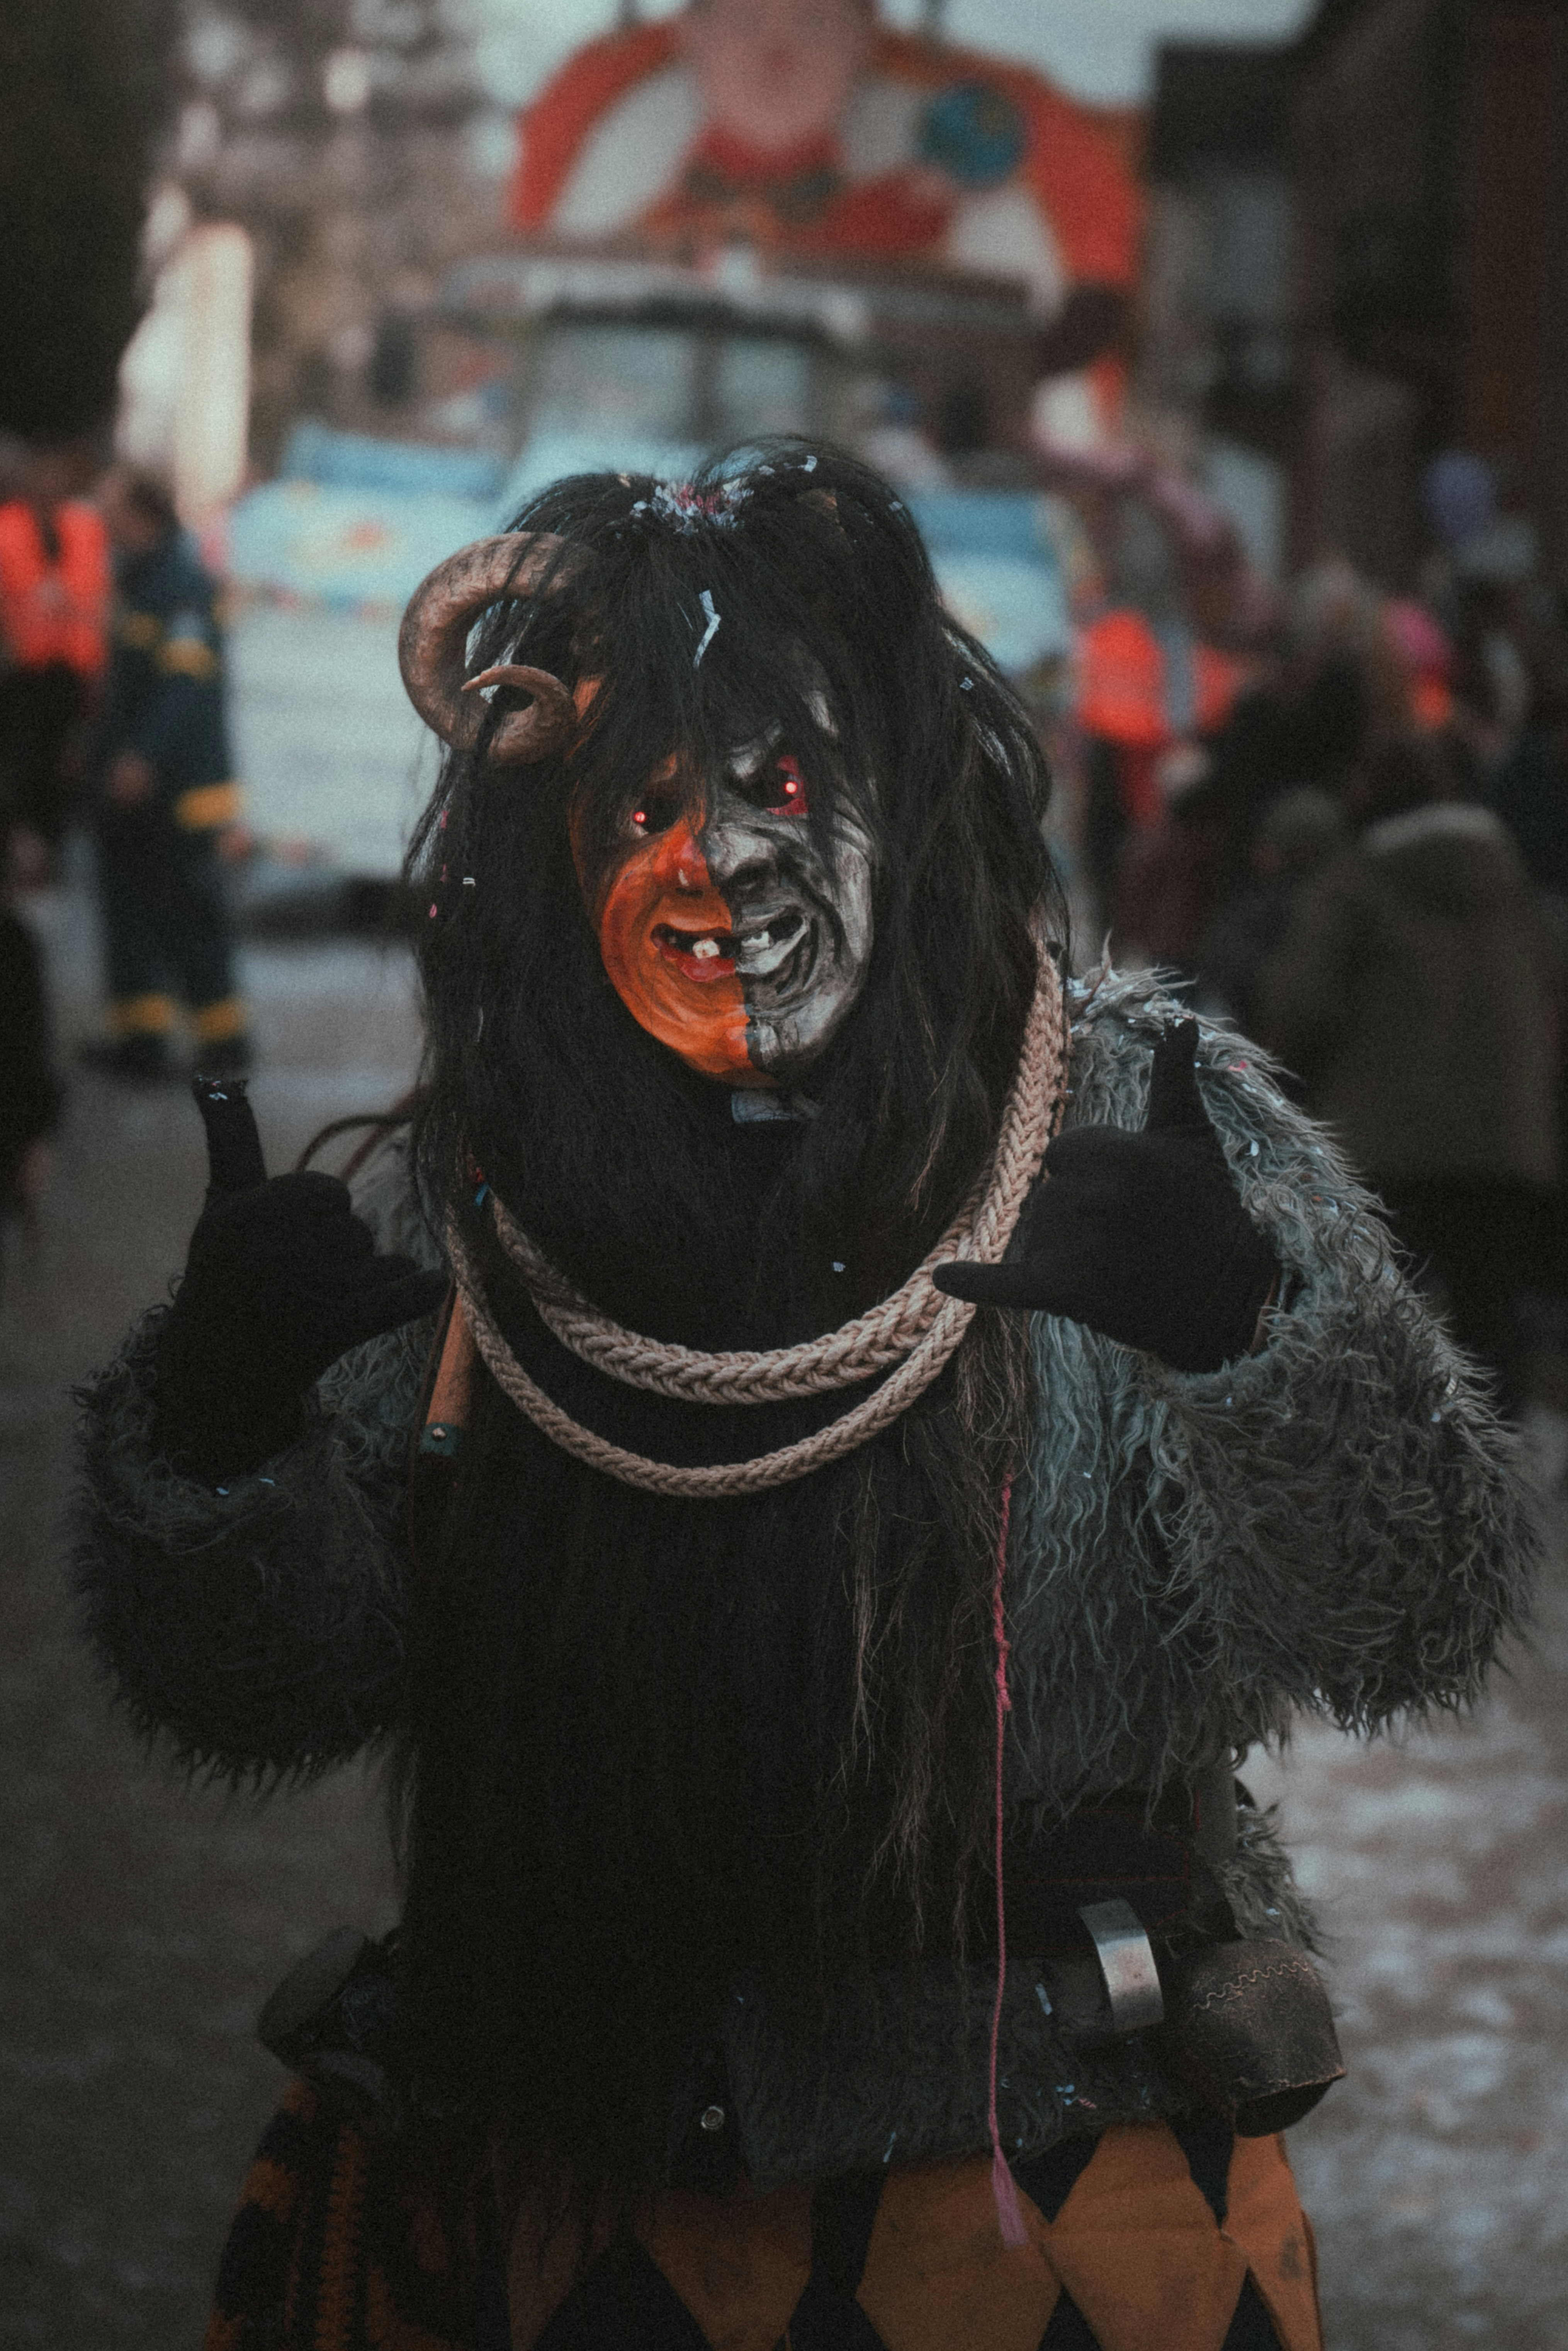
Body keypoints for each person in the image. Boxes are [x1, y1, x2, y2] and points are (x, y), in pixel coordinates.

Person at [75, 447, 1530, 2351]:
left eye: (780, 791)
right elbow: (270, 1682)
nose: (722, 860)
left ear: (898, 805)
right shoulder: (488, 1192)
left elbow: (1409, 1609)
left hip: (1052, 2194)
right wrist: (220, 1423)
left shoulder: (1122, 1124)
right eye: (647, 806)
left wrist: (1257, 1333)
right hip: (563, 2186)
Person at [1258, 734, 1559, 1412]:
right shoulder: (1514, 890)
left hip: (1384, 1146)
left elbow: (1300, 1006)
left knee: (1381, 1321)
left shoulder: (1353, 886)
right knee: (1490, 1323)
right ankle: (1495, 1473)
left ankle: (1395, 1479)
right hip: (1507, 1145)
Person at [79, 467, 250, 1080]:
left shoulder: (180, 585)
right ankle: (142, 1044)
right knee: (129, 910)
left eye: (110, 503)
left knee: (190, 913)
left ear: (141, 514)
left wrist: (140, 756)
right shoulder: (140, 580)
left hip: (179, 791)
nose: (100, 515)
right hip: (136, 790)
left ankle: (225, 1043)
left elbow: (184, 686)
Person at [0, 440, 109, 876]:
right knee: (17, 767)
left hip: (73, 673)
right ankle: (19, 848)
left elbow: (99, 598)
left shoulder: (85, 526)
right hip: (20, 673)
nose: (50, 483)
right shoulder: (7, 527)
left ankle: (50, 854)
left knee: (63, 772)